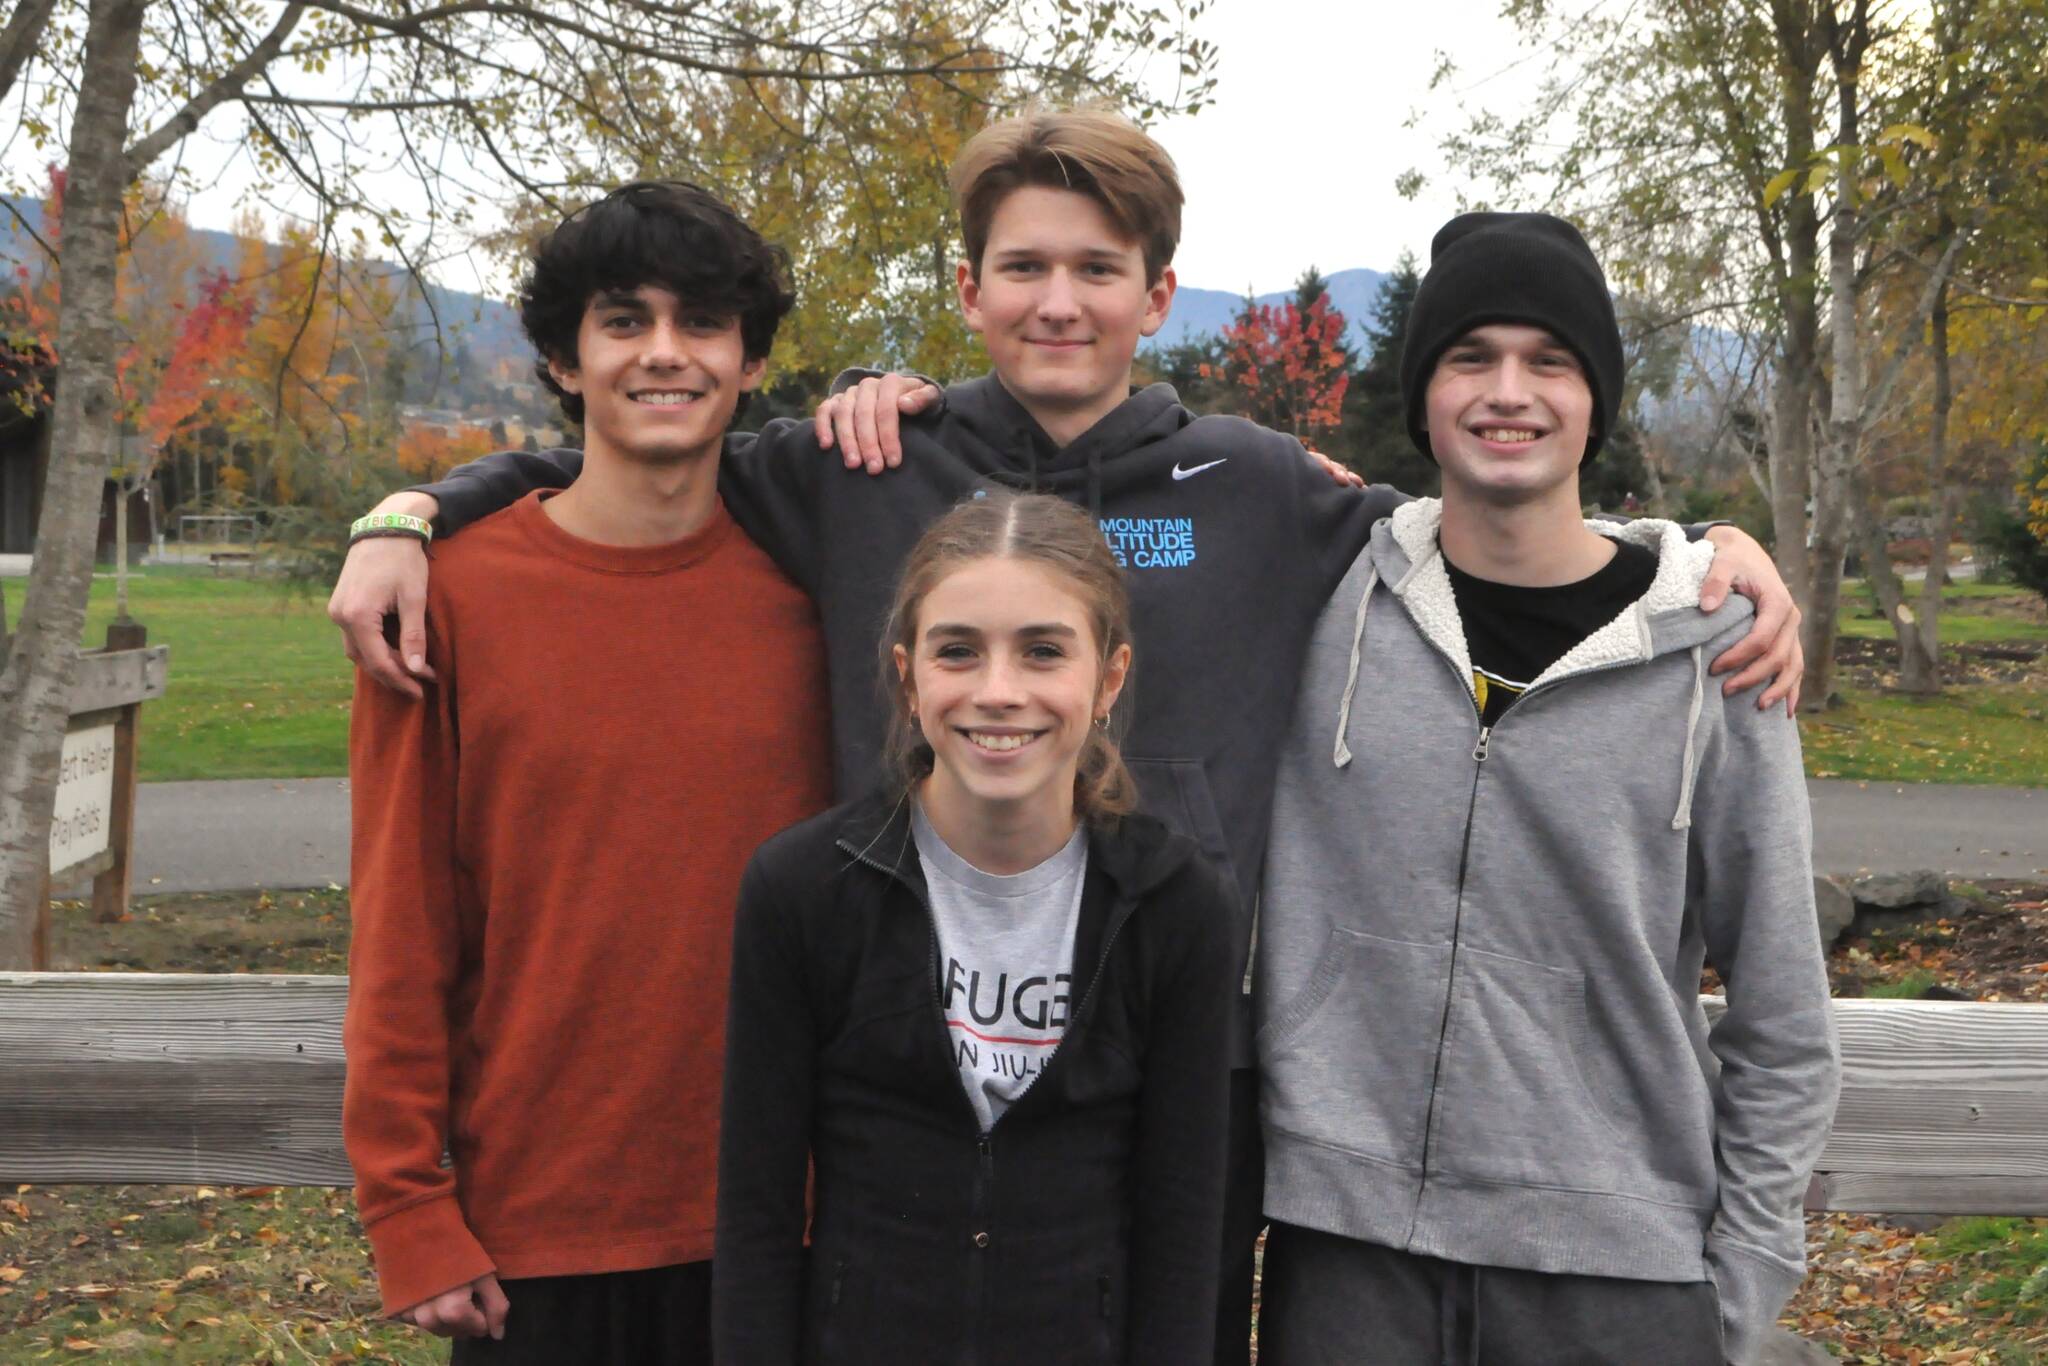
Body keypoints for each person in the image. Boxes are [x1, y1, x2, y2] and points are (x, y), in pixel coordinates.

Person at [326, 109, 1807, 1364]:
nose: (1058, 301)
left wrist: (1698, 553)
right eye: (1023, 267)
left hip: (1182, 1057)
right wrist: (409, 512)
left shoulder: (1261, 489)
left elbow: (1500, 526)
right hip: (895, 1050)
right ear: (966, 288)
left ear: (1158, 293)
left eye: (1097, 269)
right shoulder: (866, 464)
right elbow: (640, 441)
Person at [1252, 212, 1840, 1366]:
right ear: (1423, 391)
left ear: (1593, 400)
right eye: (1469, 356)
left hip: (1618, 1272)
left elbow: (1780, 1013)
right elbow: (1117, 514)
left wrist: (1734, 1291)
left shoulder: (1715, 651)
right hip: (1347, 1253)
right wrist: (900, 402)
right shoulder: (1324, 592)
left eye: (1548, 361)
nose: (1505, 392)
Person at [341, 181, 833, 1363]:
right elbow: (402, 924)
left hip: (795, 1230)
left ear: (751, 360)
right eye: (624, 321)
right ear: (564, 361)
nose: (663, 353)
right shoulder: (442, 601)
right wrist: (408, 1206)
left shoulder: (821, 603)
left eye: (701, 322)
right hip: (536, 1239)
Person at [714, 492, 1236, 1364]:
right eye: (958, 651)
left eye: (1042, 652)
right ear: (908, 674)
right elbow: (757, 1216)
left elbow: (1182, 1238)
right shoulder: (804, 890)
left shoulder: (1175, 906)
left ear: (1107, 679)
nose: (999, 692)